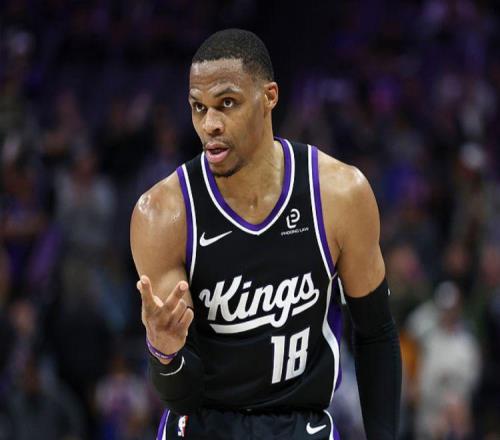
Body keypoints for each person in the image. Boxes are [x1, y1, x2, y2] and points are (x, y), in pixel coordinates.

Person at [130, 29, 401, 440]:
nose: (210, 124)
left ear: (269, 97)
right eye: (198, 108)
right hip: (205, 424)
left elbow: (375, 331)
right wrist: (164, 354)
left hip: (301, 423)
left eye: (227, 103)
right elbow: (181, 396)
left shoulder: (340, 194)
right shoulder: (163, 213)